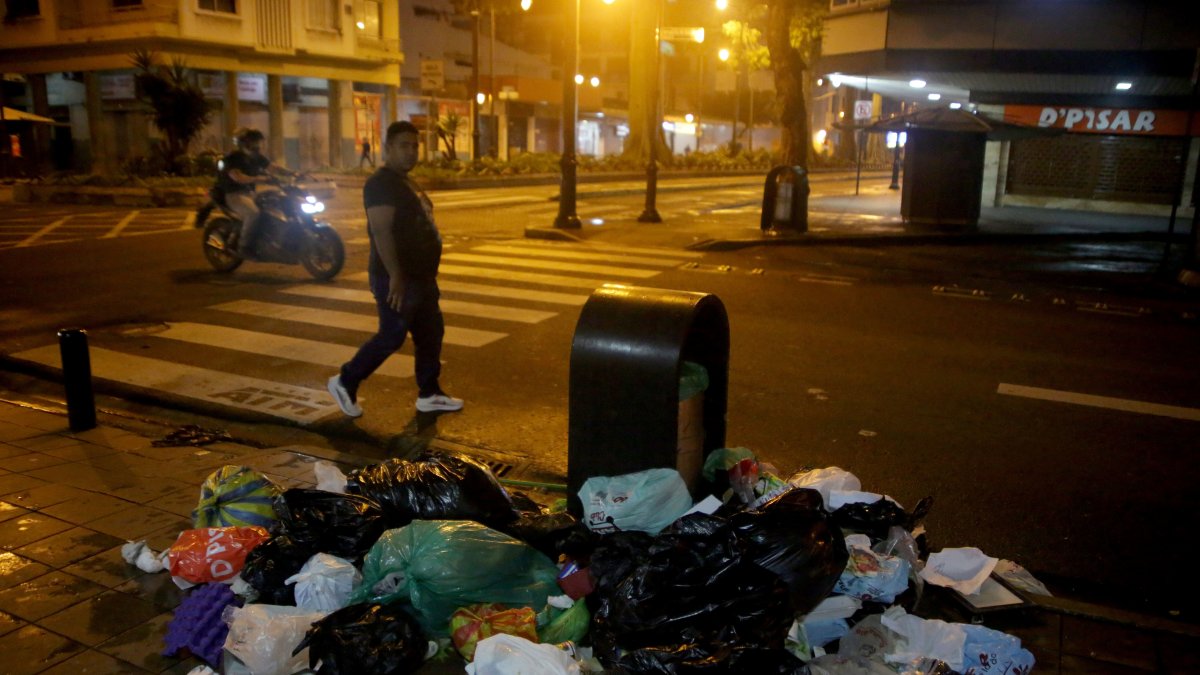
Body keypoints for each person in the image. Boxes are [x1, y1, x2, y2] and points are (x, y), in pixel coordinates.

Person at [327, 120, 463, 417]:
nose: (411, 152)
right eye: (403, 146)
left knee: (430, 332)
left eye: (415, 146)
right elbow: (381, 231)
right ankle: (346, 380)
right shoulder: (381, 184)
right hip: (398, 277)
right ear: (387, 148)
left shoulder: (404, 181)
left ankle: (429, 393)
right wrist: (396, 276)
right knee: (392, 335)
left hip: (421, 276)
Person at [216, 128, 293, 257]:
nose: (257, 145)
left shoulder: (257, 157)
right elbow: (238, 177)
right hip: (235, 194)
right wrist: (260, 178)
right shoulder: (233, 158)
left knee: (275, 203)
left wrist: (293, 173)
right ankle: (244, 246)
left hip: (250, 193)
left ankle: (274, 239)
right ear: (243, 143)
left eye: (258, 142)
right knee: (253, 213)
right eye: (253, 142)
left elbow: (273, 167)